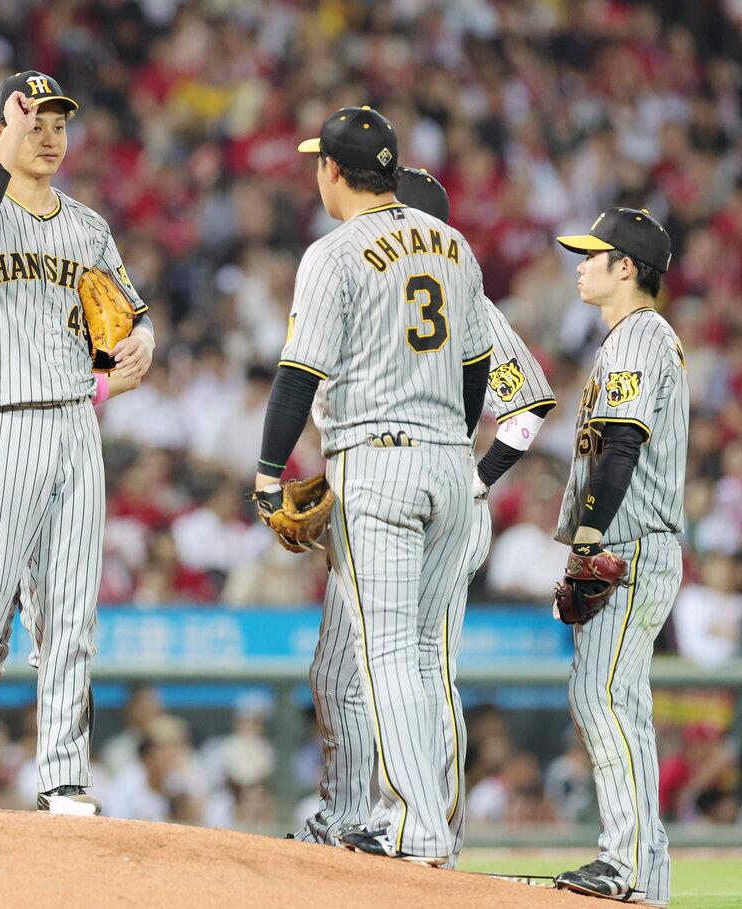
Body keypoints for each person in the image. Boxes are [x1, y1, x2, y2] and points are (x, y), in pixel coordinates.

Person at [296, 167, 556, 864]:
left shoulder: (459, 292)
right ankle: (349, 814)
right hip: (389, 491)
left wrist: (478, 473)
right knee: (337, 668)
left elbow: (528, 406)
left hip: (437, 502)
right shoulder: (376, 281)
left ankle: (432, 829)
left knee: (419, 666)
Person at [254, 108, 492, 865]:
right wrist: (449, 437)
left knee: (384, 653)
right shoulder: (455, 246)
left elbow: (299, 375)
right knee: (426, 658)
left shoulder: (334, 252)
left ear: (331, 169)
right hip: (454, 462)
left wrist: (267, 473)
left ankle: (414, 827)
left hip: (378, 458)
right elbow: (478, 368)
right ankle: (435, 829)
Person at [0, 71, 154, 816]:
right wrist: (4, 146)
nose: (49, 134)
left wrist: (141, 340)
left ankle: (62, 776)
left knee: (70, 613)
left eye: (58, 121)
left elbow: (125, 316)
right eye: (34, 120)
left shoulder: (88, 226)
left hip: (72, 425)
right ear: (0, 131)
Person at [551, 208, 686, 905]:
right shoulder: (637, 337)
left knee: (601, 696)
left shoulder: (637, 336)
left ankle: (626, 864)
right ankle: (644, 874)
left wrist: (589, 536)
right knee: (620, 702)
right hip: (639, 544)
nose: (580, 262)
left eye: (593, 253)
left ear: (626, 266)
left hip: (630, 544)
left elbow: (623, 443)